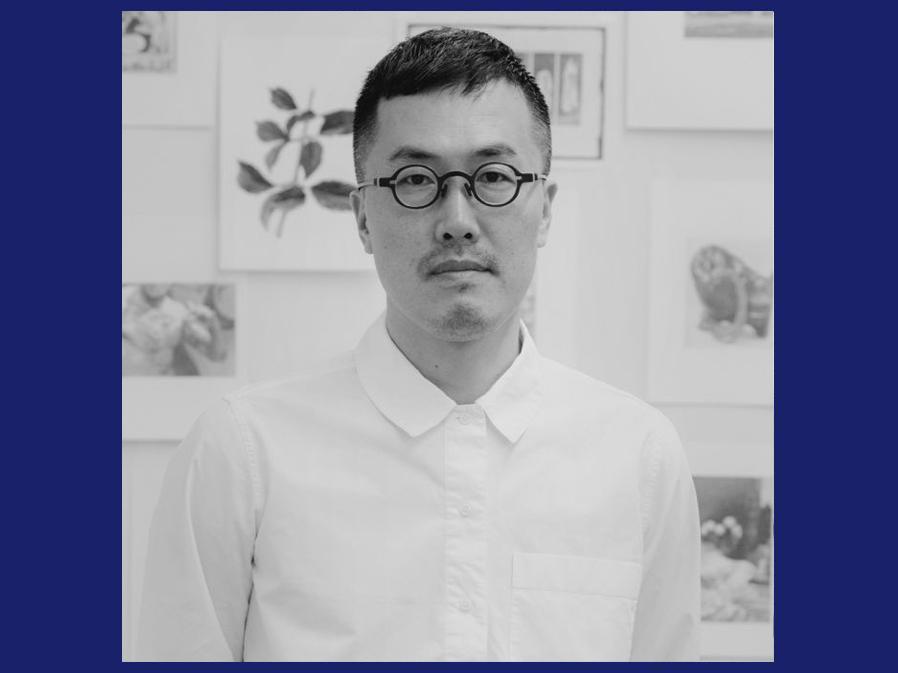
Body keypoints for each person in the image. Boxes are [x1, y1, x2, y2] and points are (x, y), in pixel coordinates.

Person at [136, 27, 700, 662]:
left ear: (544, 208)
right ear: (362, 218)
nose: (457, 221)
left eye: (492, 176)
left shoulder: (639, 456)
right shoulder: (242, 452)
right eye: (413, 180)